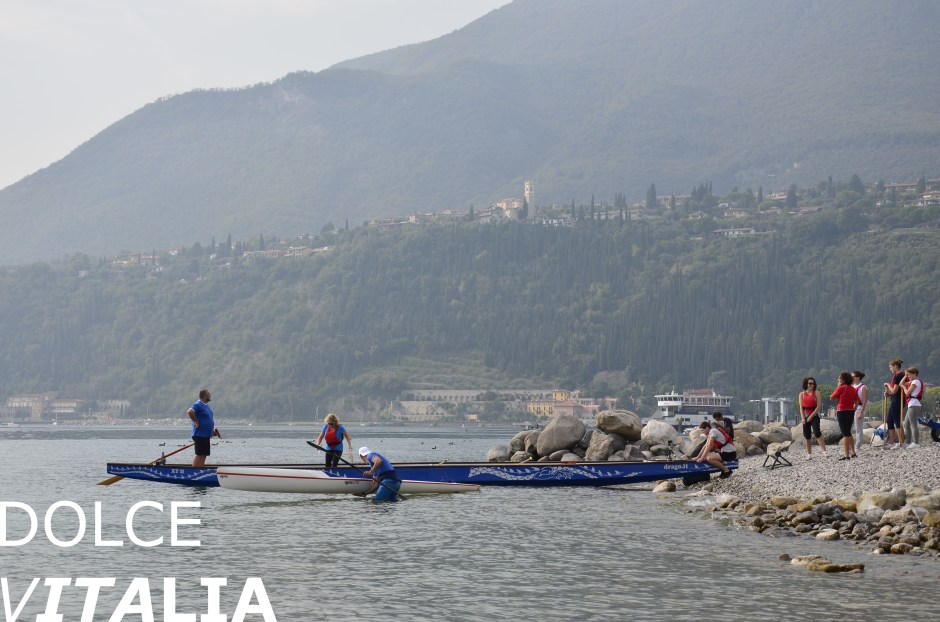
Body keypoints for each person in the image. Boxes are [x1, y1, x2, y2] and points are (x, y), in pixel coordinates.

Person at [186, 389, 220, 467]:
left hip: (206, 435)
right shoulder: (198, 404)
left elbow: (206, 420)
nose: (210, 395)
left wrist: (211, 432)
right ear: (204, 396)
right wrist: (196, 422)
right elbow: (190, 411)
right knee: (199, 454)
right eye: (209, 394)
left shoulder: (206, 406)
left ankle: (200, 470)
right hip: (199, 434)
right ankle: (194, 471)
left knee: (204, 454)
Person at [831, 372, 861, 460]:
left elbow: (832, 397)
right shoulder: (853, 389)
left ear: (843, 380)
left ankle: (846, 455)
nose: (838, 379)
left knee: (845, 434)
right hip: (850, 411)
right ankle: (853, 452)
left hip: (842, 411)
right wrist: (854, 409)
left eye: (839, 378)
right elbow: (857, 401)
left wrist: (838, 386)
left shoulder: (841, 388)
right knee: (848, 432)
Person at [798, 377, 826, 459]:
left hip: (814, 415)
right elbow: (801, 407)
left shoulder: (816, 393)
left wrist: (811, 417)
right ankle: (809, 454)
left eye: (813, 383)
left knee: (817, 433)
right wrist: (803, 418)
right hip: (805, 415)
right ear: (806, 384)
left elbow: (818, 406)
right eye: (810, 383)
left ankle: (824, 451)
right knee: (807, 436)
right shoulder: (801, 394)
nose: (811, 385)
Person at [884, 359, 905, 449]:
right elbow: (894, 392)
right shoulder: (898, 375)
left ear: (895, 366)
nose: (890, 369)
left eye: (890, 367)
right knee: (889, 421)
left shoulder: (899, 375)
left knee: (897, 421)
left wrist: (888, 385)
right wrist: (889, 394)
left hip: (898, 401)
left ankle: (901, 442)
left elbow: (895, 390)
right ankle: (891, 442)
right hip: (895, 399)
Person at [901, 367, 923, 449]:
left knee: (913, 424)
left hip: (914, 405)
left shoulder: (916, 382)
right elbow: (901, 383)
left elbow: (907, 393)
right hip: (911, 404)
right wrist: (905, 376)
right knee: (906, 424)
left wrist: (904, 388)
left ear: (915, 374)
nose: (908, 376)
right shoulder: (912, 381)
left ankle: (916, 443)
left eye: (910, 374)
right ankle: (908, 442)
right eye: (908, 374)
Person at [851, 371, 869, 452]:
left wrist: (861, 412)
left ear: (858, 377)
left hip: (859, 408)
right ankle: (851, 445)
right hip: (851, 408)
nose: (852, 378)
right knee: (850, 428)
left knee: (858, 428)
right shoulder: (851, 386)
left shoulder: (863, 387)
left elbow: (865, 401)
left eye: (853, 376)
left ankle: (858, 446)